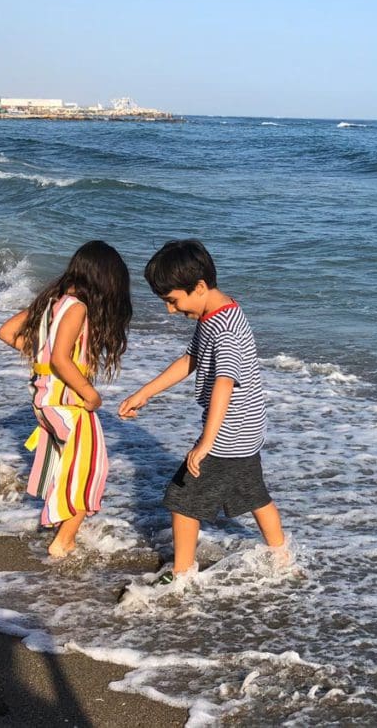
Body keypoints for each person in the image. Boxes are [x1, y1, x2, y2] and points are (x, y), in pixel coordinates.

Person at [118, 239, 285, 583]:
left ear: (199, 286)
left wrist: (206, 442)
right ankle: (282, 557)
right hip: (246, 428)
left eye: (172, 301)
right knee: (254, 492)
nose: (170, 310)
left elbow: (224, 382)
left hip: (228, 431)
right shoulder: (214, 314)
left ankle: (182, 574)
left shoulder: (226, 328)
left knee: (182, 499)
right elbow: (190, 360)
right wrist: (144, 393)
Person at [0, 240, 132, 557]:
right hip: (66, 402)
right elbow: (61, 358)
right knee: (90, 470)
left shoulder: (53, 303)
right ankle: (64, 542)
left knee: (68, 466)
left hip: (44, 399)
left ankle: (62, 527)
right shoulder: (78, 308)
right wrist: (91, 394)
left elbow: (7, 332)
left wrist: (40, 360)